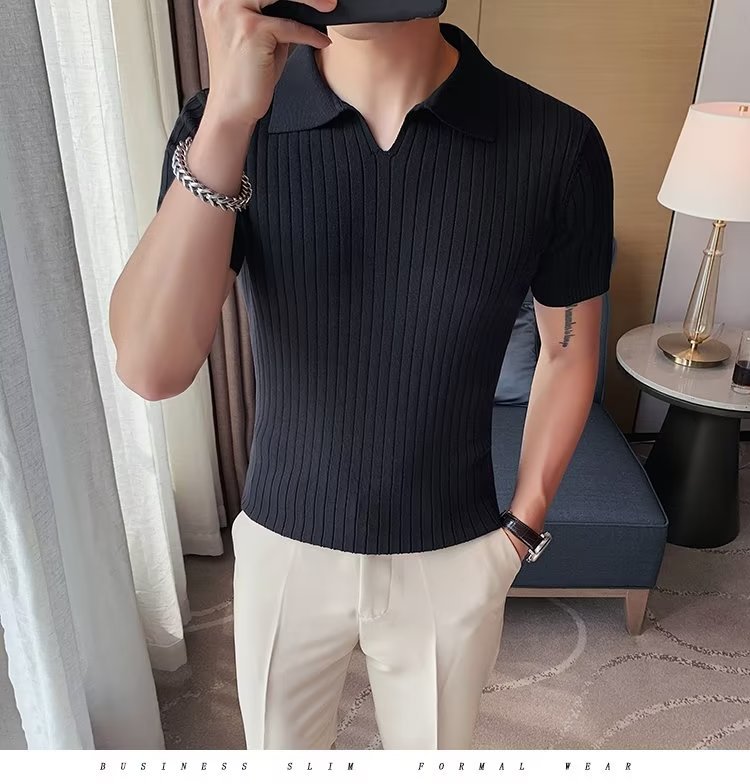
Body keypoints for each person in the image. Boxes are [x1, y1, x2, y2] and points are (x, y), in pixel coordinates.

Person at [109, 0, 613, 751]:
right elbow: (151, 368)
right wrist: (228, 119)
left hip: (452, 550)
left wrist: (520, 530)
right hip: (283, 541)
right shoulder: (230, 124)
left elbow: (567, 349)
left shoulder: (554, 144)